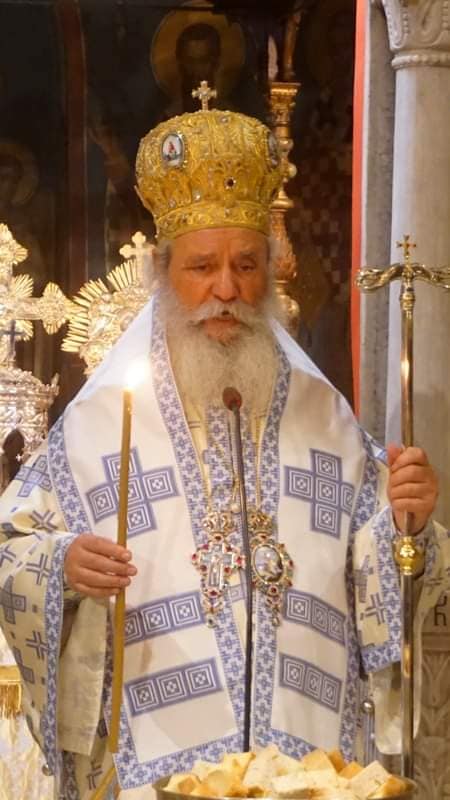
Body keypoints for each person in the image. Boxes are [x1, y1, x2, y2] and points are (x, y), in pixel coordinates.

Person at [0, 100, 447, 800]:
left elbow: (384, 566)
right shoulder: (100, 421)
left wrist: (406, 525)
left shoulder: (323, 412)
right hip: (151, 766)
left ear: (271, 270)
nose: (226, 290)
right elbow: (11, 546)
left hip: (307, 767)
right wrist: (63, 566)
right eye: (202, 267)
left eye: (246, 265)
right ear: (161, 271)